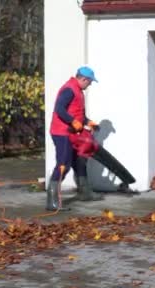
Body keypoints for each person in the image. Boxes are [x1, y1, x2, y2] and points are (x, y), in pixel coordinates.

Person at [46, 66, 103, 211]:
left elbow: (79, 115)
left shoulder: (78, 91)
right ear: (83, 79)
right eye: (89, 82)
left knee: (79, 160)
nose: (90, 85)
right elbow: (59, 109)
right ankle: (52, 201)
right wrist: (72, 121)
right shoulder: (69, 89)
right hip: (61, 132)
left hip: (72, 133)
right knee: (64, 164)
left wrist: (88, 122)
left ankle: (84, 192)